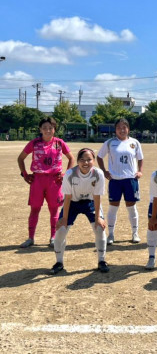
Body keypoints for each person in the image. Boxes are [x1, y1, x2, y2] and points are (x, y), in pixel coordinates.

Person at [50, 148, 109, 274]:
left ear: (93, 161)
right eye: (82, 160)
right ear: (77, 161)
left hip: (90, 203)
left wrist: (98, 217)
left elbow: (97, 197)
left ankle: (102, 261)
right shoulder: (70, 174)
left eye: (89, 160)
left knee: (100, 228)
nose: (85, 163)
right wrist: (64, 219)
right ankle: (59, 262)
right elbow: (67, 197)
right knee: (61, 230)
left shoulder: (98, 174)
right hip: (72, 203)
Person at [17, 117, 74, 248]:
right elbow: (20, 158)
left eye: (50, 128)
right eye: (45, 128)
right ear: (40, 129)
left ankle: (53, 237)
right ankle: (31, 238)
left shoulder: (59, 143)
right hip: (38, 180)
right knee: (35, 209)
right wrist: (24, 174)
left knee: (54, 210)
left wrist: (66, 174)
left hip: (54, 180)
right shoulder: (35, 143)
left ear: (54, 129)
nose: (48, 130)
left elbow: (71, 158)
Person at [97, 118, 144, 245]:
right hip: (115, 180)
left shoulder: (134, 143)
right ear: (115, 129)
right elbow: (99, 156)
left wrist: (140, 170)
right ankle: (111, 234)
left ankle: (135, 233)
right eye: (119, 127)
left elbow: (140, 158)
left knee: (131, 207)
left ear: (128, 129)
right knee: (113, 207)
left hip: (130, 180)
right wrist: (104, 171)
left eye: (124, 127)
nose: (122, 130)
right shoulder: (110, 143)